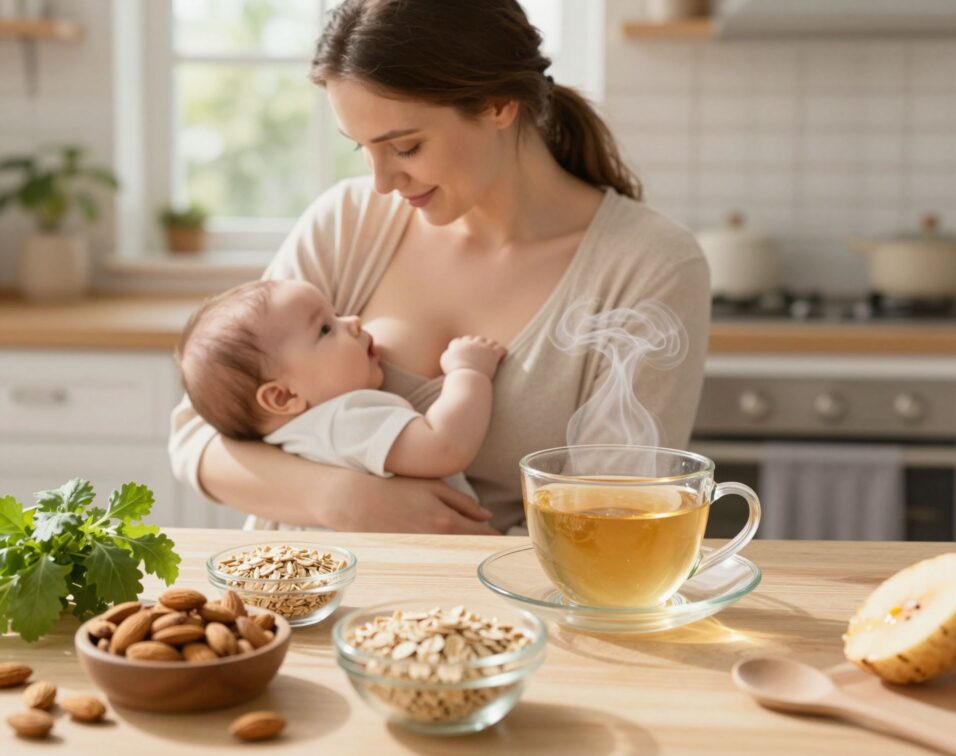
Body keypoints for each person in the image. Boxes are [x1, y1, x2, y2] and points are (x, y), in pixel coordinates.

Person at [168, 0, 710, 534]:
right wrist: (344, 500)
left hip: (492, 593)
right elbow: (197, 439)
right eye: (361, 148)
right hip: (300, 586)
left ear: (498, 104)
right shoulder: (348, 220)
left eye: (405, 147)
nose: (381, 182)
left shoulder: (649, 264)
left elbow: (613, 520)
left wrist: (456, 560)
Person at [175, 278, 506, 530]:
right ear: (283, 397)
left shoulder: (292, 436)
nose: (354, 321)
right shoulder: (342, 420)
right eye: (325, 329)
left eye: (335, 314)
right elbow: (444, 446)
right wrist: (468, 371)